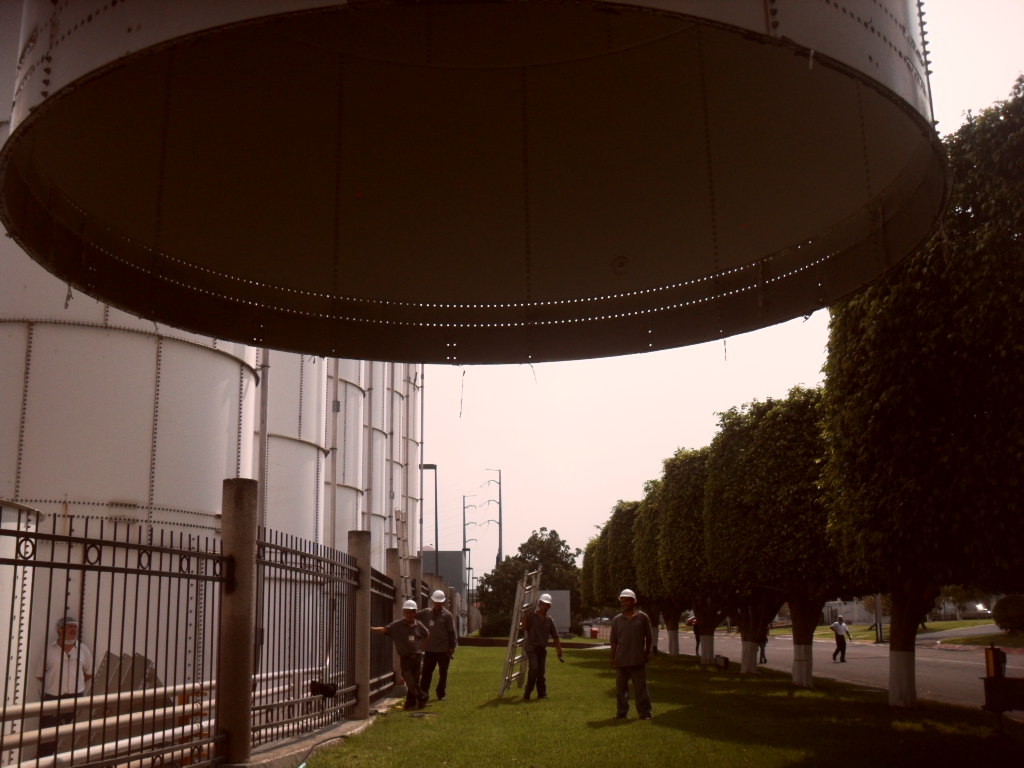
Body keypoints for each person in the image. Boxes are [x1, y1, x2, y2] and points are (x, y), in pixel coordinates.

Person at [35, 615, 93, 757]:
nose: (74, 629)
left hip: (75, 698)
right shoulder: (49, 650)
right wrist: (55, 685)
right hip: (52, 699)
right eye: (70, 626)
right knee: (48, 735)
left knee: (74, 734)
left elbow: (89, 672)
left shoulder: (83, 649)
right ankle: (46, 761)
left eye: (75, 627)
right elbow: (39, 674)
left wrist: (75, 685)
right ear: (60, 630)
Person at [372, 600, 430, 709]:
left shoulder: (418, 625)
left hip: (417, 658)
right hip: (406, 659)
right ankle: (422, 696)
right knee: (410, 681)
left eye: (411, 612)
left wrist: (422, 647)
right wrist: (371, 628)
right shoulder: (397, 625)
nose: (409, 615)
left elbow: (427, 634)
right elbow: (384, 629)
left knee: (415, 682)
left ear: (415, 613)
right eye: (407, 612)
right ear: (404, 612)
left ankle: (410, 703)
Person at [609, 588, 653, 720]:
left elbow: (649, 637)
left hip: (637, 659)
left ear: (634, 601)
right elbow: (614, 641)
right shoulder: (617, 620)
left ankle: (645, 713)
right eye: (622, 601)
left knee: (641, 689)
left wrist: (646, 654)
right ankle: (622, 713)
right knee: (621, 690)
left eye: (626, 601)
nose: (624, 603)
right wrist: (612, 657)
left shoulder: (642, 617)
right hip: (621, 660)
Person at [417, 590, 457, 702]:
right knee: (426, 673)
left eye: (440, 602)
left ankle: (441, 693)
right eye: (436, 602)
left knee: (443, 673)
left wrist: (452, 647)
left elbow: (451, 632)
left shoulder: (447, 615)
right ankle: (424, 693)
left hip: (443, 650)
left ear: (443, 602)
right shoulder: (426, 612)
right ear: (433, 601)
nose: (438, 604)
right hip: (430, 649)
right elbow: (413, 616)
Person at [521, 593, 564, 700]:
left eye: (547, 605)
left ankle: (542, 694)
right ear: (539, 604)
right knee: (534, 668)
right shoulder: (532, 616)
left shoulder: (549, 620)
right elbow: (523, 628)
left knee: (541, 673)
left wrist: (559, 653)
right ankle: (527, 692)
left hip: (542, 649)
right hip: (531, 648)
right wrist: (525, 616)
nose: (545, 607)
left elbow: (555, 637)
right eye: (543, 604)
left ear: (549, 607)